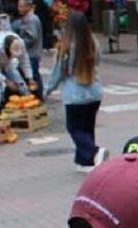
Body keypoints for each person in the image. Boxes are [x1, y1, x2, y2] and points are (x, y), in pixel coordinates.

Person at [44, 12, 108, 173]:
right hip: (94, 91)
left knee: (75, 128)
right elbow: (98, 62)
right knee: (87, 127)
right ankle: (85, 162)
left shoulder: (65, 47)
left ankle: (94, 152)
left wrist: (46, 91)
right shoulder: (93, 42)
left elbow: (57, 73)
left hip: (75, 94)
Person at [0, 28, 34, 111]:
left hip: (10, 64)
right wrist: (6, 81)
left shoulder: (20, 43)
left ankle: (28, 106)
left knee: (21, 84)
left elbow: (24, 61)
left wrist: (30, 77)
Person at [14, 0, 45, 99]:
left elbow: (32, 38)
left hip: (32, 53)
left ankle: (38, 97)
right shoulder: (26, 19)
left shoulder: (32, 19)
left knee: (33, 76)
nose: (19, 8)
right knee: (32, 76)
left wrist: (19, 44)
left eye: (21, 6)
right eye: (19, 6)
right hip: (30, 54)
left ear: (28, 7)